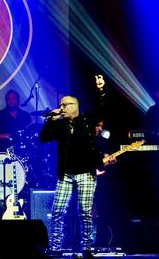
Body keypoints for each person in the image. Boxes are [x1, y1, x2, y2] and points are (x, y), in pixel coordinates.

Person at [40, 95, 115, 258]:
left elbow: (102, 109)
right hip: (65, 174)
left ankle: (86, 247)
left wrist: (101, 91)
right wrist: (52, 119)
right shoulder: (59, 125)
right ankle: (55, 247)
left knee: (85, 212)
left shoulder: (87, 121)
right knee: (58, 210)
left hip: (86, 173)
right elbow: (44, 137)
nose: (62, 108)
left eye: (65, 105)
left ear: (75, 106)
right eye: (61, 105)